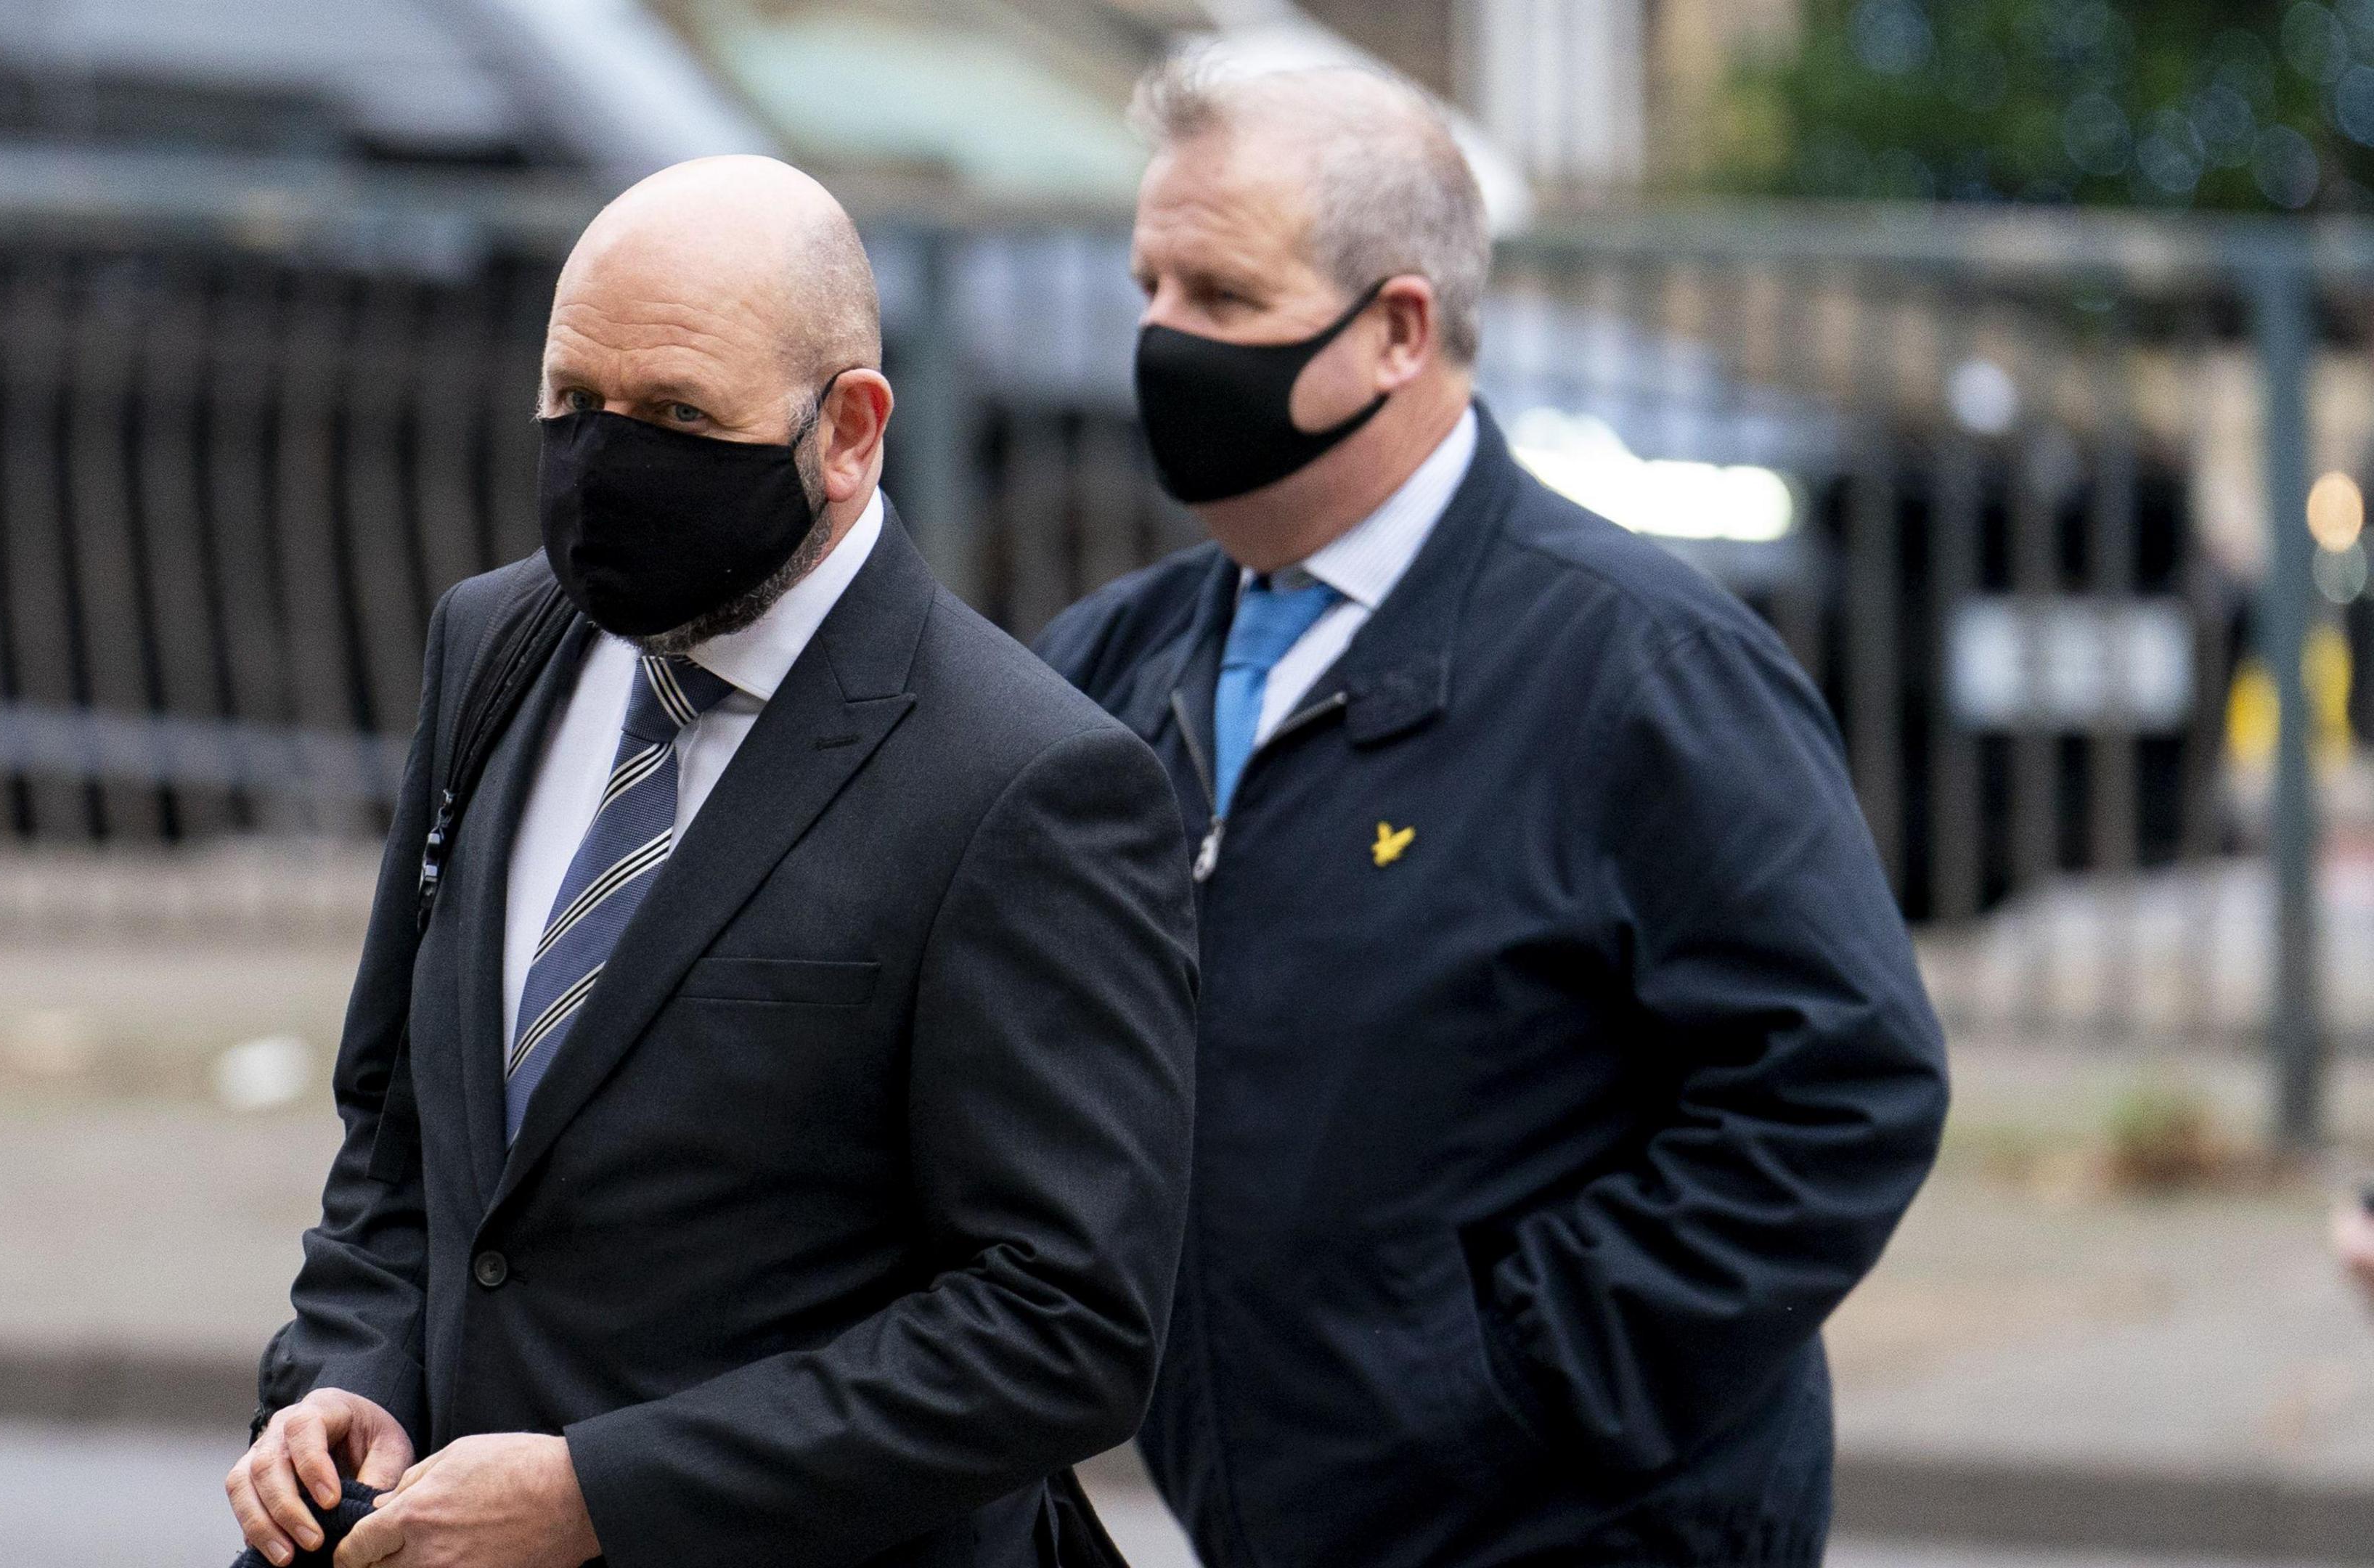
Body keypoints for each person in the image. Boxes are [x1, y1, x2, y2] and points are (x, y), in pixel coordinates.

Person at [1033, 52, 1951, 1568]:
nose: (1157, 340)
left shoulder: (1642, 666)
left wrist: (1509, 1380)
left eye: (1220, 296)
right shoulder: (1118, 661)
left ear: (1398, 329)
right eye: (1147, 286)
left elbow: (1842, 1085)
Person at [229, 155, 1199, 1568]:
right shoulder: (494, 646)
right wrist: (348, 1372)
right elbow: (402, 1128)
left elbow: (1062, 1326)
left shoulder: (1030, 784)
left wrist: (598, 1494)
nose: (609, 465)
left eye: (681, 415)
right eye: (573, 406)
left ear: (851, 431)